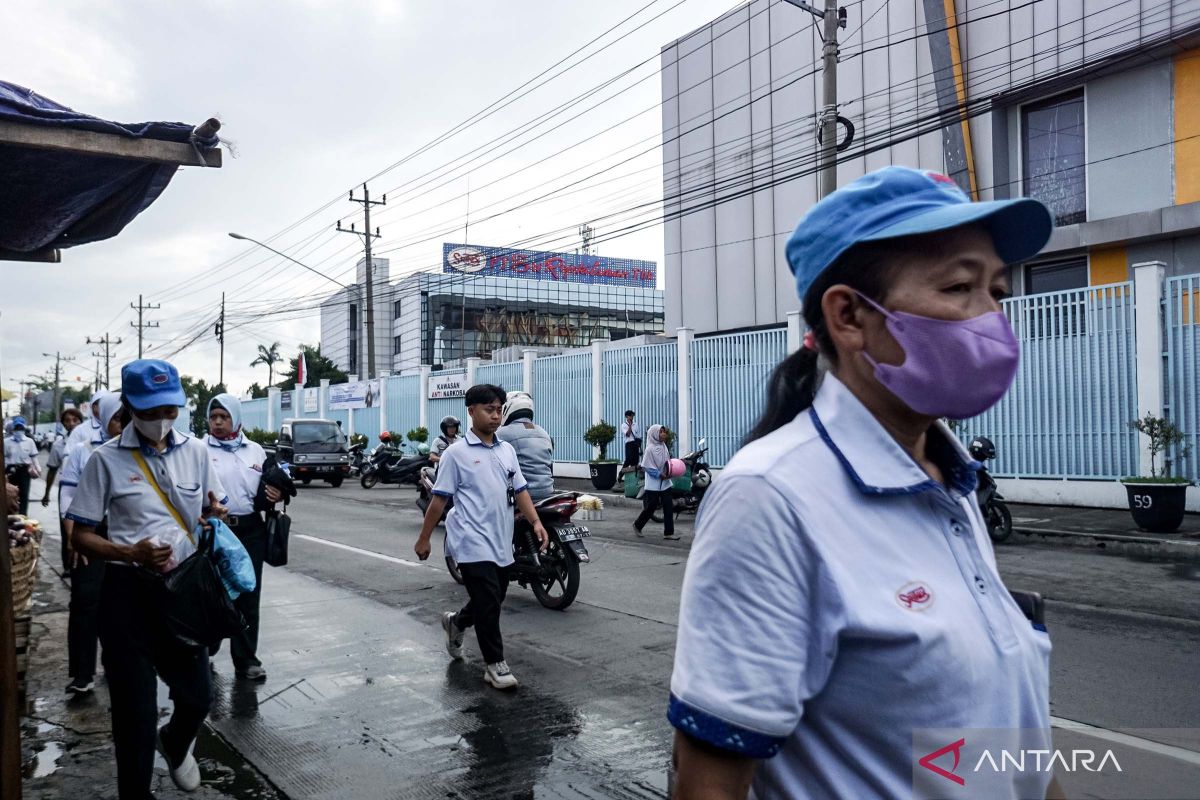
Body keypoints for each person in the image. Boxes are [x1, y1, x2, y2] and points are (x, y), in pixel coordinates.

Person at [667, 167, 1062, 800]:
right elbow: (709, 785)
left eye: (997, 290)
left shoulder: (950, 482)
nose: (991, 318)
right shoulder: (770, 498)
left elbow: (996, 753)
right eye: (960, 287)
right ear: (848, 315)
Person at [67, 359, 229, 799]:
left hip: (183, 593)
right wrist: (130, 552)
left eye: (169, 411)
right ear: (131, 406)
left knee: (198, 697)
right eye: (151, 411)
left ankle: (176, 742)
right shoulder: (105, 460)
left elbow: (210, 509)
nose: (161, 420)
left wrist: (214, 516)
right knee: (134, 720)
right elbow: (81, 535)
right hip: (126, 598)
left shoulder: (196, 451)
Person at [414, 384, 549, 691]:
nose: (496, 415)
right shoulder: (456, 454)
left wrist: (536, 521)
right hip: (470, 540)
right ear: (471, 411)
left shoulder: (506, 451)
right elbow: (438, 500)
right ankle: (495, 665)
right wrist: (424, 539)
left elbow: (522, 490)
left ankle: (457, 622)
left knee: (492, 597)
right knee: (489, 601)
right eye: (489, 409)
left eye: (499, 409)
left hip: (501, 539)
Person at [204, 393, 282, 681]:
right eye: (214, 417)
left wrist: (277, 494)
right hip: (214, 531)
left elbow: (268, 489)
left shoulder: (255, 451)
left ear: (235, 418)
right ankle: (206, 649)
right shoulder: (200, 450)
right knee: (213, 593)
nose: (218, 422)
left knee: (248, 594)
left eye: (224, 417)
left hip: (250, 530)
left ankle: (246, 659)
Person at [59, 393, 125, 697]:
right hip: (91, 531)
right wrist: (75, 540)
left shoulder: (142, 453)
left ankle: (119, 666)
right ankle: (83, 673)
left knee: (123, 606)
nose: (124, 424)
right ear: (105, 419)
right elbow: (69, 499)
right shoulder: (84, 452)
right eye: (117, 418)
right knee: (86, 603)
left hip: (129, 534)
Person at [42, 407, 85, 571]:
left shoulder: (90, 441)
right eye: (67, 420)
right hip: (66, 488)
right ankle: (67, 566)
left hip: (85, 488)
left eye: (75, 420)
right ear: (63, 424)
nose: (72, 423)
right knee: (66, 528)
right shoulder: (59, 445)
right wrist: (46, 493)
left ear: (81, 422)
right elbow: (52, 470)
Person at [495, 391, 555, 502]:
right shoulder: (543, 432)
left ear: (507, 408)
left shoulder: (502, 433)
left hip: (523, 495)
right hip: (548, 492)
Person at [632, 424, 678, 540]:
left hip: (665, 482)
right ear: (654, 434)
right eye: (660, 432)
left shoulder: (663, 446)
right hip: (654, 483)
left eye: (664, 432)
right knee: (651, 506)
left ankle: (669, 533)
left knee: (668, 506)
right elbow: (646, 466)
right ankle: (638, 525)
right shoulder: (650, 449)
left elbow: (667, 462)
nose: (663, 434)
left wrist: (670, 470)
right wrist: (659, 474)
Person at [4, 416, 40, 515]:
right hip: (10, 470)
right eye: (17, 428)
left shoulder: (29, 442)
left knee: (24, 494)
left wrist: (38, 469)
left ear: (24, 429)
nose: (19, 430)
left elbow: (33, 457)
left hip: (24, 470)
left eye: (21, 428)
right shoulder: (6, 442)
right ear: (13, 429)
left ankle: (23, 516)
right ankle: (11, 516)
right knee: (10, 494)